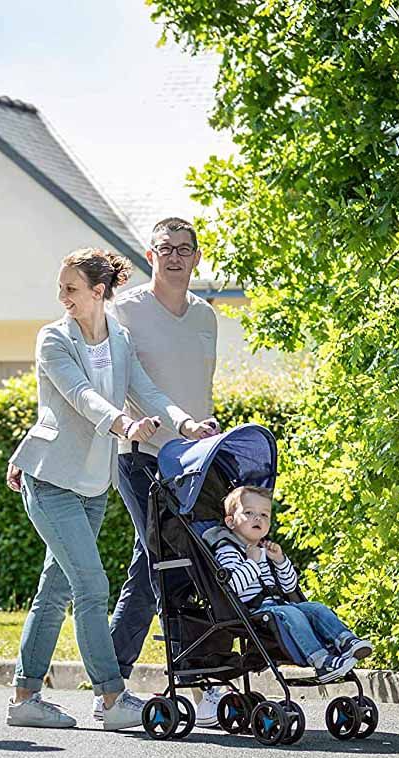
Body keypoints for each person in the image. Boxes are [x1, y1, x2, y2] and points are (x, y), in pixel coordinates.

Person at [5, 247, 218, 731]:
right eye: (62, 289)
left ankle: (25, 698)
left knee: (55, 588)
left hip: (92, 483)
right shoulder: (53, 339)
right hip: (49, 477)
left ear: (98, 291)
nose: (62, 298)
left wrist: (184, 426)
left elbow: (147, 389)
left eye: (71, 289)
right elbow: (82, 397)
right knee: (91, 583)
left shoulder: (119, 337)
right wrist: (123, 424)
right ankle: (111, 695)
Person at [104, 217, 222, 727]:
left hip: (194, 460)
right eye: (165, 248)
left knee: (148, 565)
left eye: (185, 249)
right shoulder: (123, 311)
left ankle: (109, 680)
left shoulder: (206, 316)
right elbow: (121, 383)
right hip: (142, 455)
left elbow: (200, 385)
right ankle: (201, 678)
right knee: (173, 560)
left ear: (197, 257)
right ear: (150, 256)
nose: (175, 257)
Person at [203, 485, 373, 684]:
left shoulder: (265, 550)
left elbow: (289, 587)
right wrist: (253, 562)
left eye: (264, 515)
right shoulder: (227, 551)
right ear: (230, 522)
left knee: (314, 608)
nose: (258, 518)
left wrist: (280, 561)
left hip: (279, 605)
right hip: (253, 612)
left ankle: (346, 642)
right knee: (292, 613)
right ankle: (320, 660)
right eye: (249, 513)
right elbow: (233, 590)